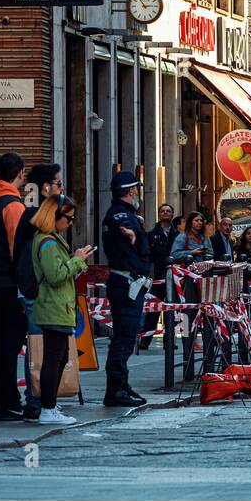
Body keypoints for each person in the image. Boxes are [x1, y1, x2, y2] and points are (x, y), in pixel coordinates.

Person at [29, 195, 92, 425]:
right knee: (53, 357)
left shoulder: (51, 240)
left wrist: (77, 260)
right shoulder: (47, 242)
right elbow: (55, 276)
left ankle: (50, 406)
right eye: (69, 217)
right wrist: (76, 259)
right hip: (53, 306)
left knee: (59, 356)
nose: (71, 222)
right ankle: (47, 408)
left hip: (58, 307)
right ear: (54, 216)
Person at [0, 153, 32, 419]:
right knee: (9, 346)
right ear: (20, 173)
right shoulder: (13, 205)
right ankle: (8, 401)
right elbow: (18, 249)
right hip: (9, 283)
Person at [101, 171, 151, 407]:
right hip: (126, 282)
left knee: (125, 336)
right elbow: (140, 246)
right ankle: (115, 388)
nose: (138, 193)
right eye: (136, 189)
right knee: (124, 337)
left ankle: (120, 384)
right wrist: (135, 235)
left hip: (126, 282)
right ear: (131, 191)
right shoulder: (122, 215)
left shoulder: (122, 214)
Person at [18, 163, 64, 420]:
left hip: (38, 291)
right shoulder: (36, 217)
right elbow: (30, 258)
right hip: (38, 292)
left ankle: (43, 400)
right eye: (58, 184)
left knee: (48, 347)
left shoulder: (34, 213)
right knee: (40, 347)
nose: (61, 188)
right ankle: (37, 401)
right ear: (46, 187)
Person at [140, 203, 177, 351]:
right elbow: (147, 256)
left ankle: (169, 340)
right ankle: (145, 340)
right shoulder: (151, 234)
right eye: (163, 211)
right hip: (157, 277)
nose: (165, 213)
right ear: (159, 214)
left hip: (174, 277)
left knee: (173, 310)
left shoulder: (178, 234)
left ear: (172, 214)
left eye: (168, 211)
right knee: (153, 310)